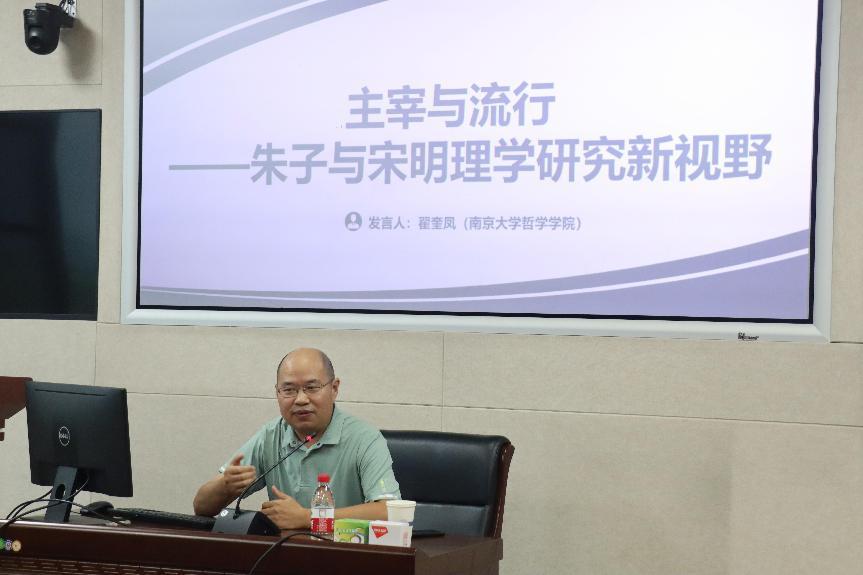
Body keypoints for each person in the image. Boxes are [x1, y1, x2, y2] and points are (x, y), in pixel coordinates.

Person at [193, 348, 400, 529]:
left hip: (346, 553)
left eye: (312, 388)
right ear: (277, 392)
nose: (301, 399)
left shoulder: (365, 439)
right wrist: (225, 486)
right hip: (286, 554)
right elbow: (201, 507)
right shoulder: (271, 435)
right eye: (289, 390)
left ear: (334, 388)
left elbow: (389, 512)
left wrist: (309, 517)